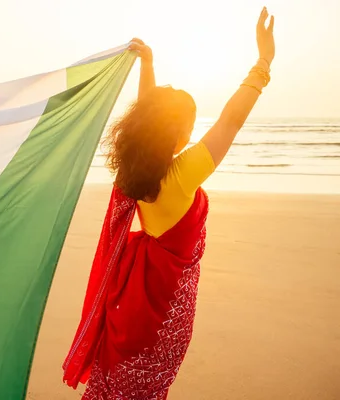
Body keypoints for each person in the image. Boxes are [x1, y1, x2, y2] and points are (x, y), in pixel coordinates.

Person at [63, 7, 275, 400]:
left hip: (128, 304)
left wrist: (149, 65)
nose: (194, 135)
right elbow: (230, 121)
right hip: (161, 312)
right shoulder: (181, 176)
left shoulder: (134, 175)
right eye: (190, 128)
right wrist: (263, 64)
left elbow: (150, 115)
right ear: (175, 134)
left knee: (115, 387)